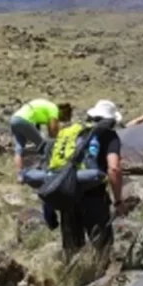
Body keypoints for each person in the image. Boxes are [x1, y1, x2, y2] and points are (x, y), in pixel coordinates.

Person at [55, 100, 124, 258]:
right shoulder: (109, 136)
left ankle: (73, 281)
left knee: (72, 249)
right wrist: (118, 201)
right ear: (111, 121)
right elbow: (113, 169)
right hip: (94, 197)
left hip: (67, 192)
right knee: (103, 248)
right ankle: (102, 280)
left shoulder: (73, 132)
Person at [10, 99, 71, 177]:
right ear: (63, 113)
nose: (60, 120)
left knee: (19, 149)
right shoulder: (54, 109)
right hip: (23, 120)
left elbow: (39, 126)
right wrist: (58, 140)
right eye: (62, 119)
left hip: (14, 119)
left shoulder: (47, 107)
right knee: (43, 147)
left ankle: (20, 176)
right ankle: (48, 171)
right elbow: (52, 130)